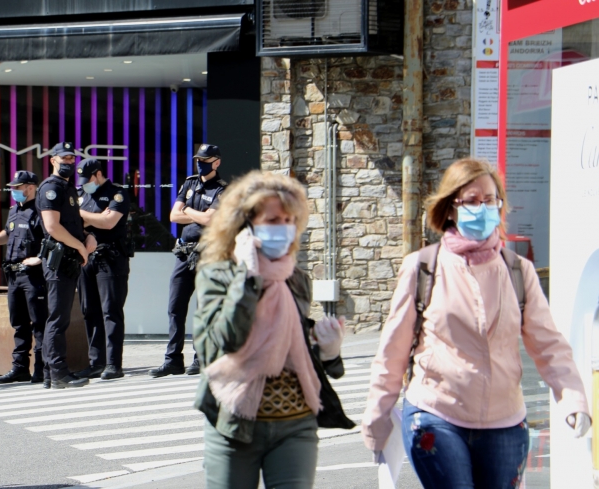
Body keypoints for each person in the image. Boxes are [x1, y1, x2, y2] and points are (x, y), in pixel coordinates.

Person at [362, 158, 591, 488]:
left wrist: (573, 399)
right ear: (451, 208)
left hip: (505, 420)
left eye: (489, 200)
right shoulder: (423, 268)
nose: (482, 208)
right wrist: (377, 414)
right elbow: (393, 349)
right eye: (471, 201)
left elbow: (549, 345)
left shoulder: (518, 272)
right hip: (435, 413)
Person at [193, 171, 354, 489]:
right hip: (233, 425)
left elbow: (292, 348)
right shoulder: (218, 275)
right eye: (272, 220)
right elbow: (220, 344)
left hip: (295, 426)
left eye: (287, 220)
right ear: (246, 224)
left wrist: (329, 350)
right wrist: (248, 278)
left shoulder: (295, 279)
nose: (282, 229)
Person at [150, 143, 227, 378]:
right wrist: (198, 215)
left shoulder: (223, 190)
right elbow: (173, 215)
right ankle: (172, 359)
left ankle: (201, 358)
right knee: (175, 307)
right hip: (184, 253)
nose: (200, 163)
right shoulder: (190, 182)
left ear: (216, 162)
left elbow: (208, 220)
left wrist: (190, 212)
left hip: (208, 254)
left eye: (205, 160)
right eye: (198, 159)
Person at [0, 170, 46, 384]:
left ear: (30, 187)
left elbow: (52, 238)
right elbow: (8, 233)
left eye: (18, 187)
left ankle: (41, 369)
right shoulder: (14, 210)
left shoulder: (42, 211)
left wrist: (40, 258)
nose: (13, 190)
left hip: (33, 276)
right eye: (13, 186)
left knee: (39, 323)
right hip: (14, 276)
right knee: (19, 323)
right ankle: (20, 367)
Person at [36, 142, 96, 389]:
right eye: (64, 159)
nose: (69, 163)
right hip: (59, 258)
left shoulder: (68, 188)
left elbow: (71, 223)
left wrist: (87, 235)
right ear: (52, 161)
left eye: (72, 159)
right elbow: (52, 227)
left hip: (69, 258)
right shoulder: (50, 187)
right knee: (58, 318)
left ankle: (51, 374)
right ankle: (58, 372)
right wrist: (81, 246)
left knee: (60, 317)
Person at [72, 159, 131, 381]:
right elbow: (76, 223)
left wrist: (83, 215)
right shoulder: (81, 195)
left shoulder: (117, 193)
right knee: (90, 311)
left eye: (87, 179)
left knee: (111, 311)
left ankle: (114, 364)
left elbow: (109, 223)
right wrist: (95, 217)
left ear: (98, 174)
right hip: (87, 259)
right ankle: (96, 363)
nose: (85, 184)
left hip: (111, 258)